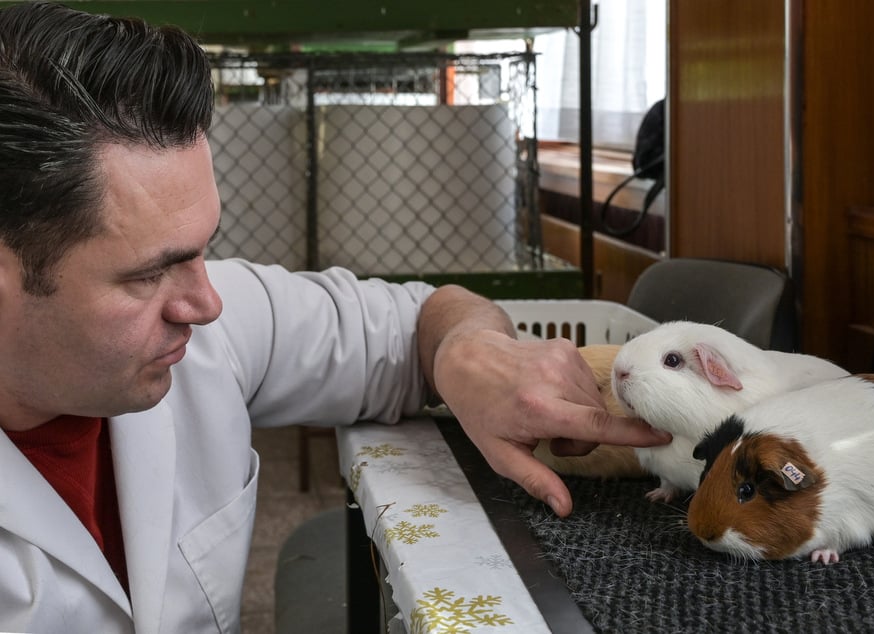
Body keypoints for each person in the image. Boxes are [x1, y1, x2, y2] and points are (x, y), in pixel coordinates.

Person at [0, 2, 670, 631]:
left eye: (205, 251)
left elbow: (419, 319)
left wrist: (468, 353)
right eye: (148, 273)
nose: (206, 305)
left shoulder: (211, 332)